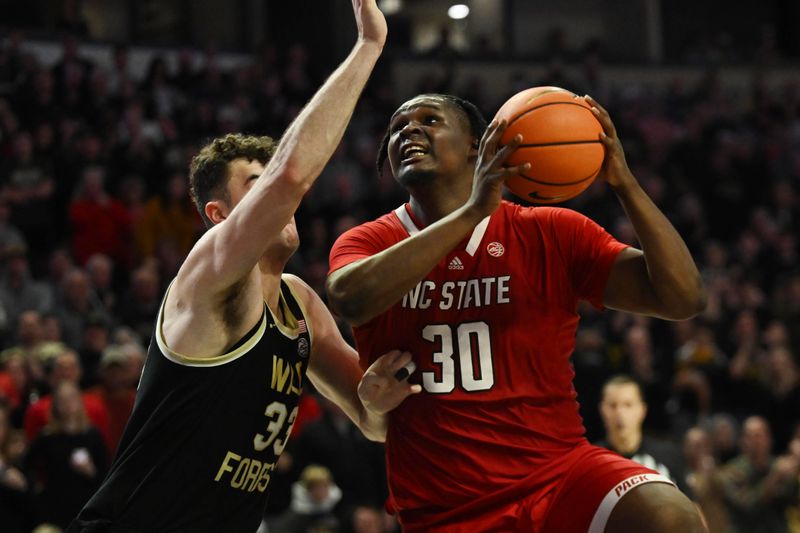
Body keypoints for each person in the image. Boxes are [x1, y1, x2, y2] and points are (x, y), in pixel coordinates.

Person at [68, 3, 416, 532]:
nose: (282, 201)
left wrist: (374, 400)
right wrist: (368, 46)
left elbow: (372, 423)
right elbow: (291, 176)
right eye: (256, 186)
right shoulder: (210, 272)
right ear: (220, 215)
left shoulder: (301, 305)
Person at [326, 93, 708, 532]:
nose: (409, 130)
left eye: (430, 120)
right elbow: (350, 299)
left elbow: (684, 298)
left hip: (558, 473)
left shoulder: (551, 231)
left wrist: (625, 184)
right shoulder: (367, 242)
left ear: (479, 144)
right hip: (443, 504)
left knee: (670, 514)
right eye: (397, 127)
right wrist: (472, 213)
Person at [596, 375, 684, 485]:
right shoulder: (592, 463)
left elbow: (690, 501)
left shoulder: (668, 456)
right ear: (602, 410)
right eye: (613, 405)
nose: (619, 413)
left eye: (628, 405)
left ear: (642, 410)